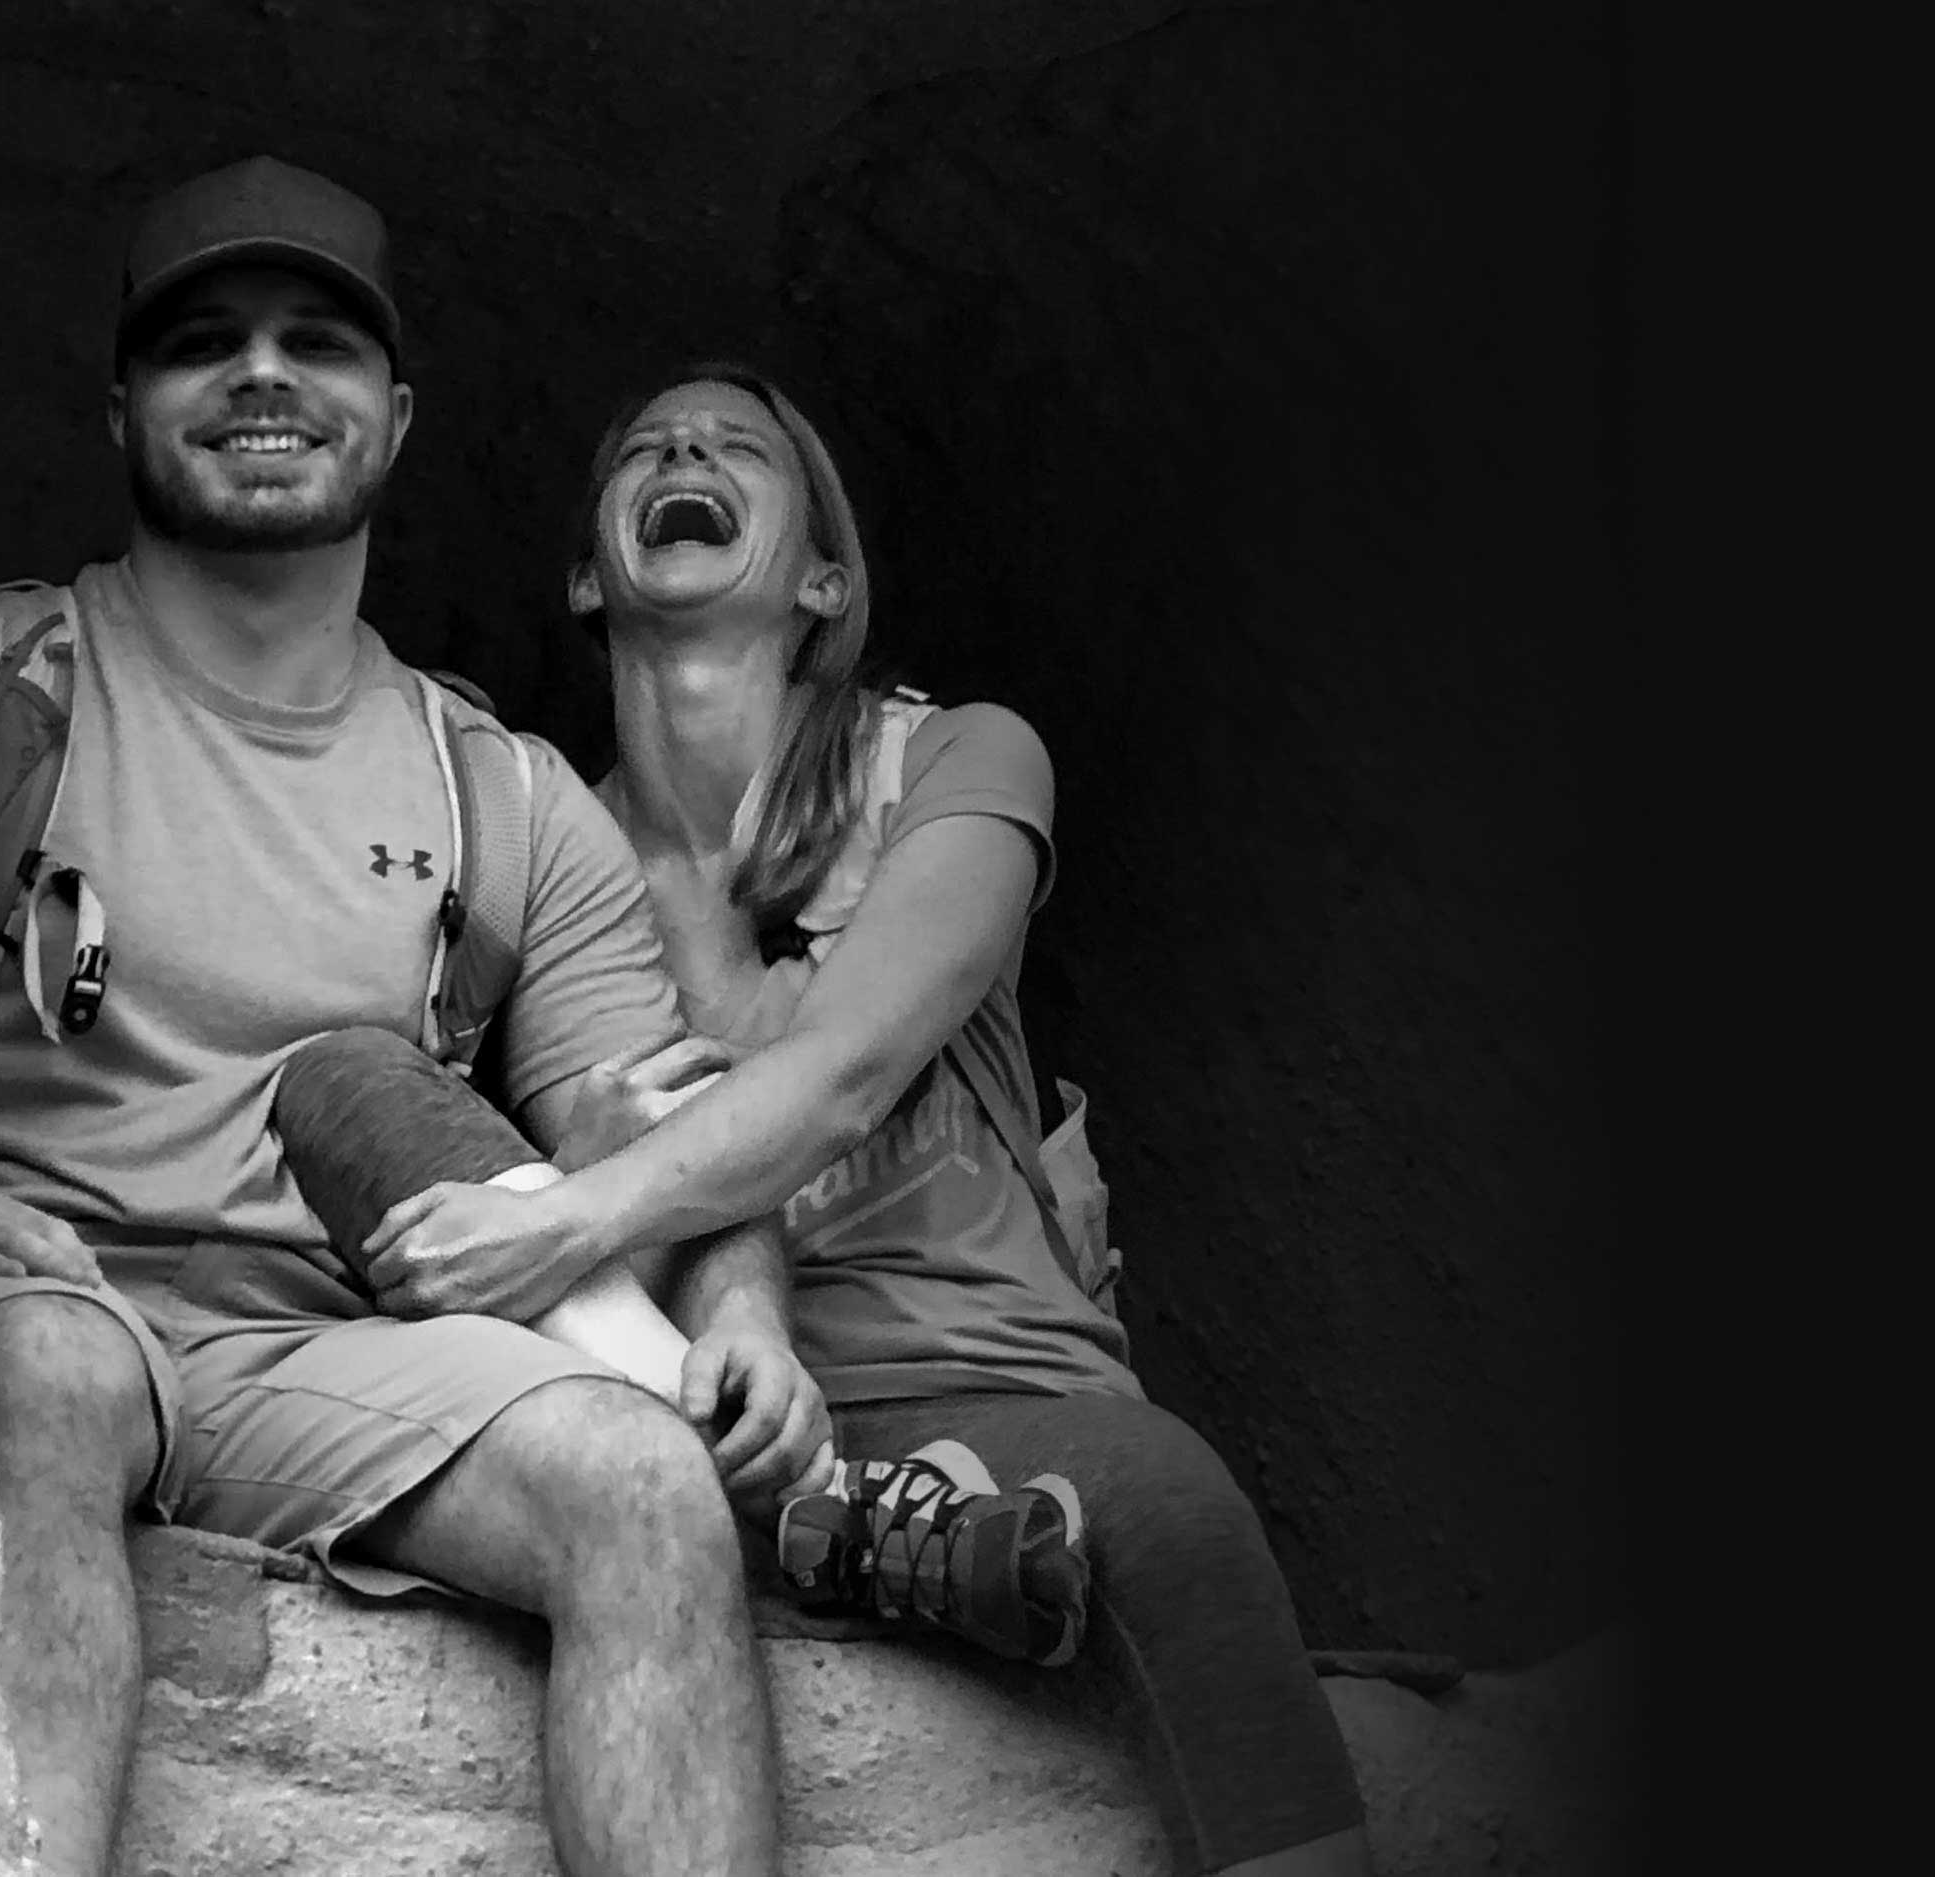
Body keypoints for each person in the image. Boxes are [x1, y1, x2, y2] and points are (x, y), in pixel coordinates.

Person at [0, 158, 820, 1877]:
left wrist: (748, 1315)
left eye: (315, 343)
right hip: (36, 1303)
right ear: (117, 408)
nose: (261, 379)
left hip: (339, 1350)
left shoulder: (503, 796)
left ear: (391, 418)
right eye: (202, 345)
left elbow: (667, 1139)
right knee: (39, 1368)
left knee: (639, 1480)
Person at [362, 366, 1375, 1877]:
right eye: (646, 446)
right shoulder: (531, 847)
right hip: (680, 1396)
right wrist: (565, 1177)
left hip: (985, 1387)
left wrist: (577, 1204)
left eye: (738, 448)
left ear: (824, 577)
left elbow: (841, 1071)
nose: (687, 450)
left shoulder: (959, 760)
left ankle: (854, 1525)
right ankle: (834, 1525)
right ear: (590, 569)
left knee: (1172, 1505)